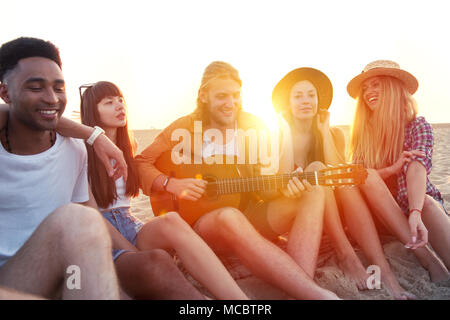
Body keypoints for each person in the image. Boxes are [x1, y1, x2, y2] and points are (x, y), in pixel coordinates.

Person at [135, 61, 340, 300]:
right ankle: (316, 295)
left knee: (313, 190)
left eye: (235, 95)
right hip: (202, 225)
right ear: (203, 96)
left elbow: (266, 186)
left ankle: (297, 286)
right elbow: (141, 162)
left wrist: (288, 189)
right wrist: (171, 184)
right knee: (230, 216)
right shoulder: (185, 127)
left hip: (251, 215)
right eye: (221, 96)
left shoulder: (252, 125)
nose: (230, 103)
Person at [79, 81, 248, 300]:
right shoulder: (80, 150)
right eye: (109, 103)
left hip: (129, 223)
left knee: (173, 221)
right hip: (100, 232)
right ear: (92, 110)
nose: (120, 106)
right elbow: (92, 217)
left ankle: (239, 302)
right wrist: (134, 252)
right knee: (157, 260)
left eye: (121, 100)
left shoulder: (130, 144)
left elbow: (153, 165)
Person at [269, 67, 417, 299]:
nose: (305, 101)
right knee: (319, 170)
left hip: (329, 207)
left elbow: (341, 174)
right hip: (293, 209)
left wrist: (324, 131)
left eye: (311, 95)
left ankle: (385, 273)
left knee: (336, 176)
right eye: (297, 96)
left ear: (319, 101)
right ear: (287, 103)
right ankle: (346, 255)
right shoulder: (277, 136)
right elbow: (281, 180)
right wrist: (286, 133)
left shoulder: (334, 133)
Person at [0, 37, 120, 299]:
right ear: (5, 93)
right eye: (35, 87)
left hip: (47, 275)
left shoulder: (74, 149)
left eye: (59, 87)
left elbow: (89, 219)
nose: (51, 98)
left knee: (80, 219)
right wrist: (94, 134)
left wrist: (90, 136)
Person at [347, 60, 450, 284]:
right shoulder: (363, 135)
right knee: (369, 177)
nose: (368, 92)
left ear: (393, 88)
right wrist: (390, 170)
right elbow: (357, 181)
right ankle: (430, 262)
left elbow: (417, 167)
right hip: (382, 216)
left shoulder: (417, 126)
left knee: (428, 203)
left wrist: (415, 211)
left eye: (376, 85)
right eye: (365, 88)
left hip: (415, 205)